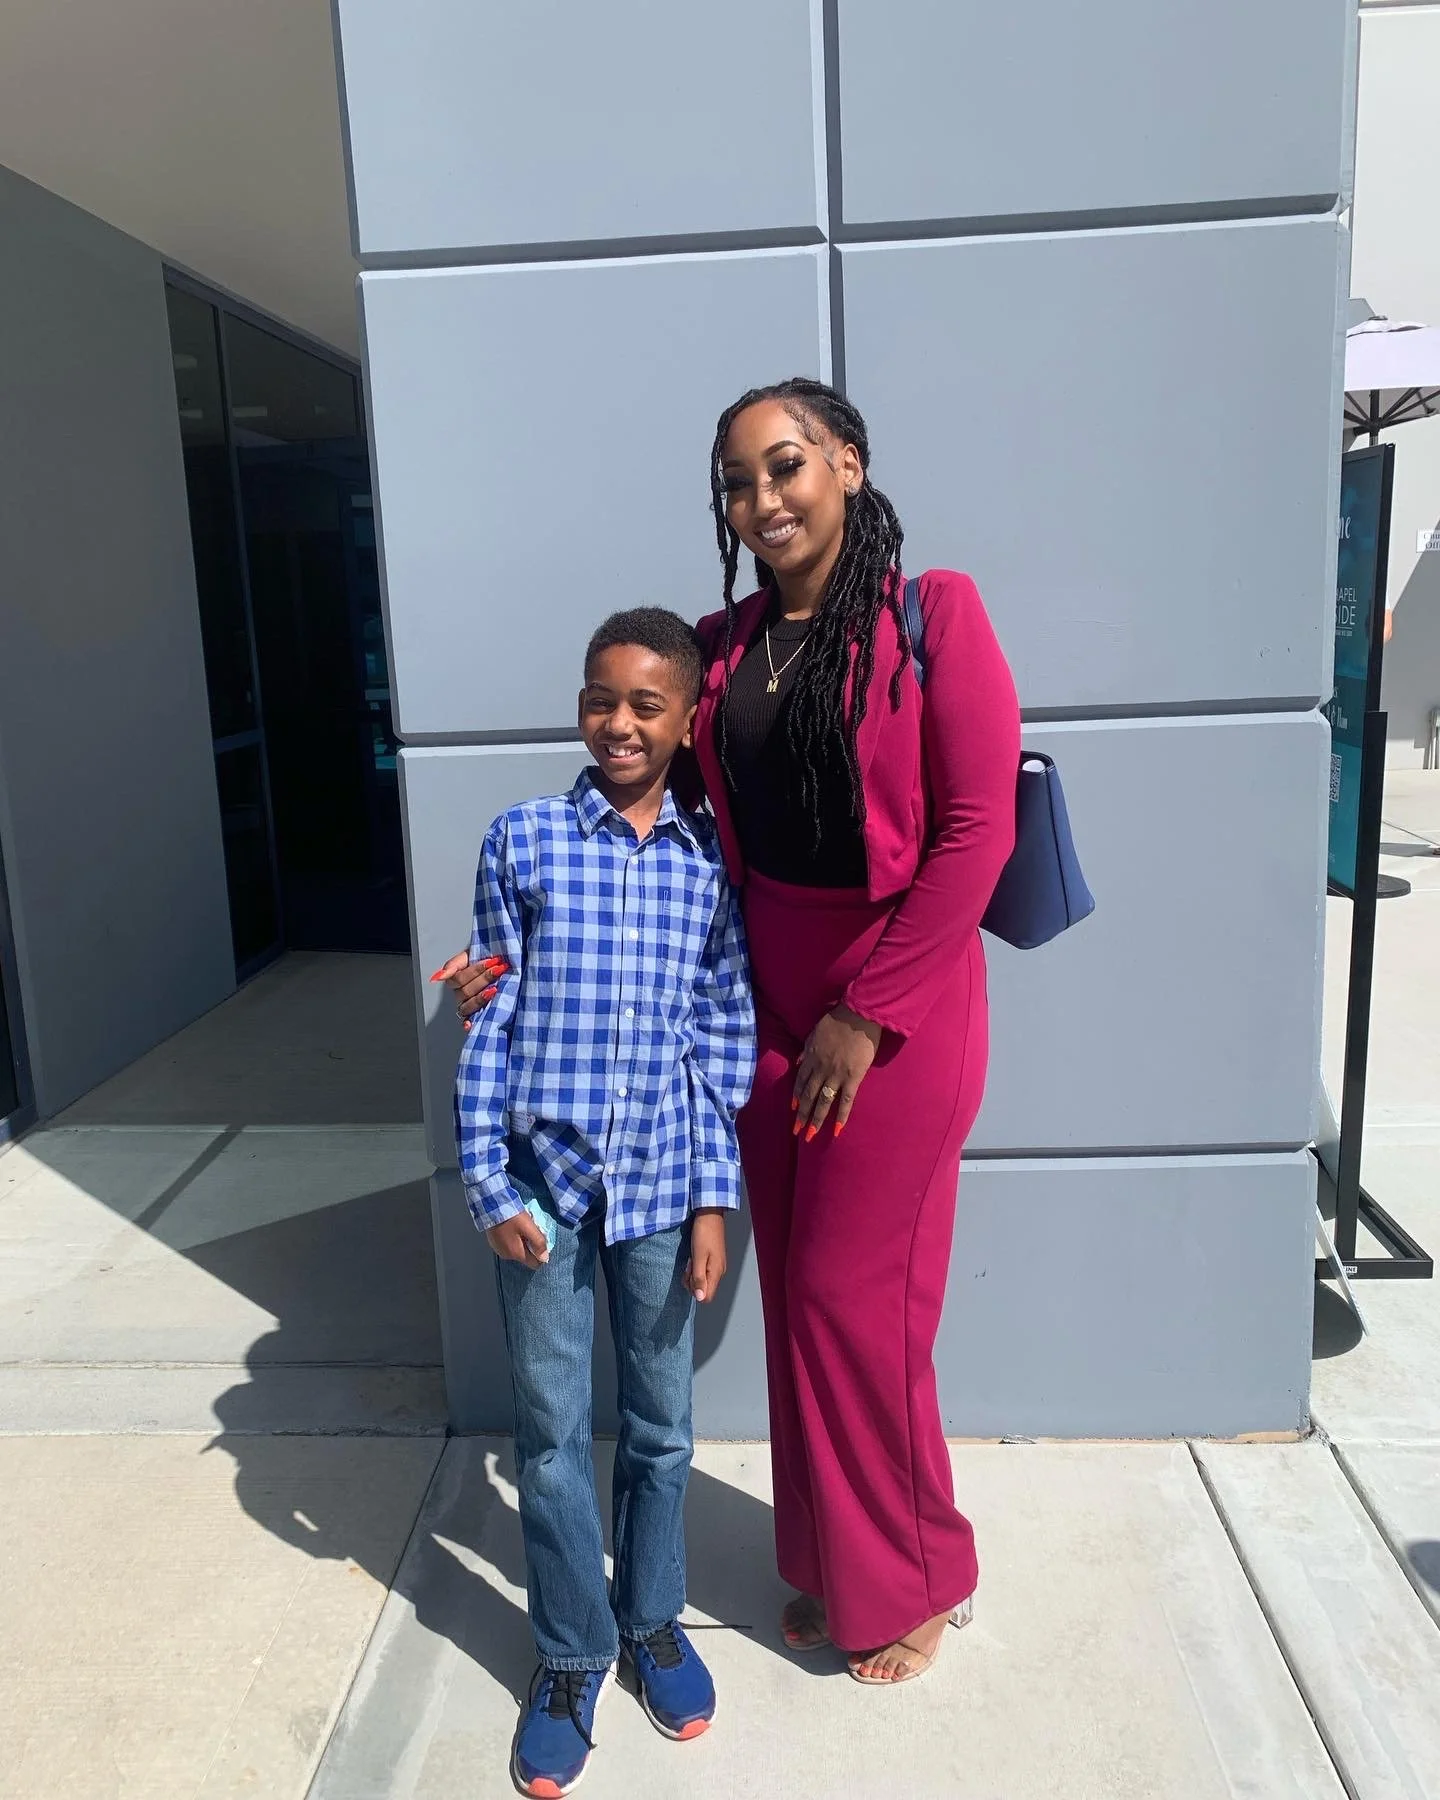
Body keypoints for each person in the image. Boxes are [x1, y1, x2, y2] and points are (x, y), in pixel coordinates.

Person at [445, 377, 1019, 1689]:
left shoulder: (935, 615)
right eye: (737, 482)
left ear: (849, 465)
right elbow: (649, 805)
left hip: (896, 1000)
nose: (762, 498)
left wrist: (866, 1014)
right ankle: (830, 1559)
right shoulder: (725, 642)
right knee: (801, 1305)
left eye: (786, 466)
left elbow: (976, 831)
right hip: (762, 1000)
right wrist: (515, 960)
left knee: (862, 1301)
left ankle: (922, 1571)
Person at [450, 606, 755, 1797]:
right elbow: (487, 1017)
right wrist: (488, 1181)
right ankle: (574, 1652)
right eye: (600, 699)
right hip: (544, 1186)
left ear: (686, 717)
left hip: (664, 1185)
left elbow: (718, 1042)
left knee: (663, 1426)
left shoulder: (708, 862)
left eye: (645, 704)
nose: (618, 723)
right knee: (552, 1436)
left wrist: (715, 1200)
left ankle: (654, 1623)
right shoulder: (522, 840)